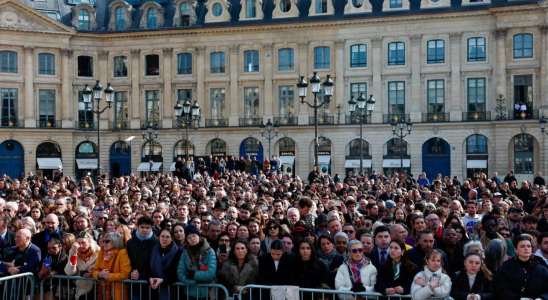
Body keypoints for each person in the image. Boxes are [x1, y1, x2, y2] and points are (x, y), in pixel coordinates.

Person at [495, 234, 548, 300]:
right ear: (516, 250)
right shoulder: (506, 268)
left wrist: (541, 298)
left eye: (528, 246)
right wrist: (519, 299)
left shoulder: (542, 269)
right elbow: (501, 291)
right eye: (522, 246)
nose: (526, 248)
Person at [177, 224, 217, 299]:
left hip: (207, 294)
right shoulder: (185, 254)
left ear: (199, 236)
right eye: (189, 237)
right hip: (189, 295)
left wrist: (193, 275)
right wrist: (195, 282)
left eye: (194, 235)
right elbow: (180, 274)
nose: (192, 239)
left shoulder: (210, 251)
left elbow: (210, 274)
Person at [92, 232, 131, 300]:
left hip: (118, 292)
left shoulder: (122, 253)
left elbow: (125, 274)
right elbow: (95, 270)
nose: (104, 243)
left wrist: (108, 277)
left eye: (107, 241)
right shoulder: (101, 252)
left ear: (115, 241)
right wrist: (99, 275)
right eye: (103, 241)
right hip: (104, 292)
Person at [126, 215, 159, 300]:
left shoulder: (157, 242)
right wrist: (132, 273)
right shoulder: (130, 243)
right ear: (137, 227)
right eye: (142, 227)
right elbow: (128, 261)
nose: (145, 230)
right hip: (135, 283)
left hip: (152, 284)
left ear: (151, 228)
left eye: (148, 227)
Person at [149, 227, 184, 299]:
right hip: (153, 289)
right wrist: (150, 278)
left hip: (172, 290)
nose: (164, 239)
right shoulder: (153, 251)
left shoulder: (178, 253)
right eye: (162, 236)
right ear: (158, 237)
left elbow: (177, 273)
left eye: (167, 237)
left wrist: (163, 280)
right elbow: (148, 269)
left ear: (172, 239)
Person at [64, 231, 100, 300]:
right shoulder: (73, 251)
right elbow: (69, 272)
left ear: (90, 242)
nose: (80, 246)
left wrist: (93, 274)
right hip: (82, 291)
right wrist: (74, 254)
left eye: (83, 243)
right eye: (78, 243)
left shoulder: (99, 251)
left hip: (97, 289)